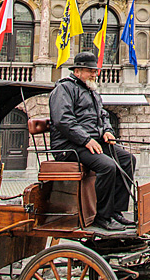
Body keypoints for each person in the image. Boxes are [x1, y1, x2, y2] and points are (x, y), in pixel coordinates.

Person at [49, 50, 136, 232]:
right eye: (91, 71)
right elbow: (63, 120)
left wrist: (107, 131)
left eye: (95, 70)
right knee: (107, 167)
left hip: (91, 142)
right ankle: (101, 216)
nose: (95, 74)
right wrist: (86, 139)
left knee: (128, 159)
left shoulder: (91, 90)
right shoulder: (64, 89)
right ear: (78, 71)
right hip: (69, 146)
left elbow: (103, 115)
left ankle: (116, 211)